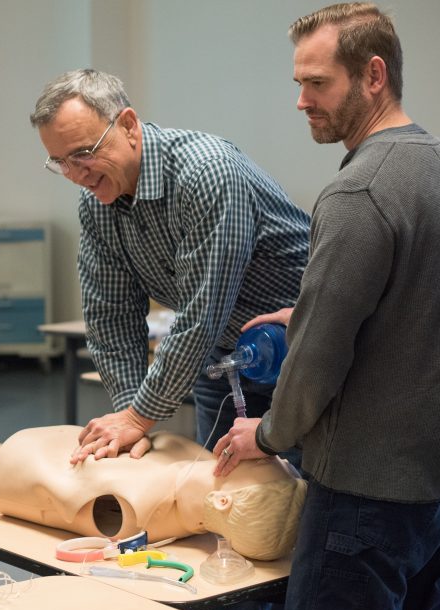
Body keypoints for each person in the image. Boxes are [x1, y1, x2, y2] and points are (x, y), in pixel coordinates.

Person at [215, 2, 440, 610]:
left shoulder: (358, 191)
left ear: (374, 75)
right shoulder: (432, 166)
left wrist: (265, 434)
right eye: (299, 83)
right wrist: (311, 310)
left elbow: (315, 361)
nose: (302, 101)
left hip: (362, 499)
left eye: (318, 83)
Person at [29, 69, 310, 465]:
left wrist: (137, 417)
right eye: (60, 163)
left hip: (301, 351)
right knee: (219, 495)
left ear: (127, 125)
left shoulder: (207, 172)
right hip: (226, 355)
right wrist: (130, 415)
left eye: (83, 154)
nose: (76, 175)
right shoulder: (97, 203)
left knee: (301, 496)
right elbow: (110, 316)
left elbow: (202, 313)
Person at [0, 426, 306, 562]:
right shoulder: (198, 466)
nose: (270, 453)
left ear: (223, 502)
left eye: (262, 462)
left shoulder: (135, 509)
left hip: (18, 457)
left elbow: (54, 481)